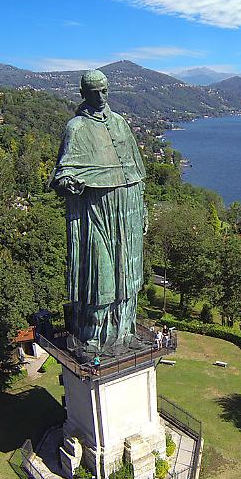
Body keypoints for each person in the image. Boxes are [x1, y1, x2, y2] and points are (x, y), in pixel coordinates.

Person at [51, 70, 147, 355]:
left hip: (127, 208)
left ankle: (125, 330)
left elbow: (138, 173)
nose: (101, 97)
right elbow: (61, 175)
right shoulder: (76, 128)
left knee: (129, 276)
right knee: (101, 277)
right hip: (97, 211)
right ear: (84, 94)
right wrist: (71, 183)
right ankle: (94, 336)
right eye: (95, 92)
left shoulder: (120, 123)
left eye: (105, 90)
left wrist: (143, 211)